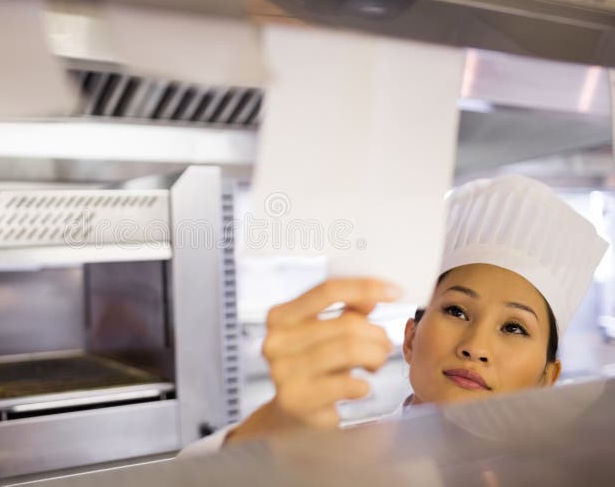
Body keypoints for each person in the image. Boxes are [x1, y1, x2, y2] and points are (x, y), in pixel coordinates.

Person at [181, 174, 608, 456]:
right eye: (457, 310)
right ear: (409, 338)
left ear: (547, 378)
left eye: (514, 327)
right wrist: (273, 430)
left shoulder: (570, 475)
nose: (475, 346)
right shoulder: (337, 463)